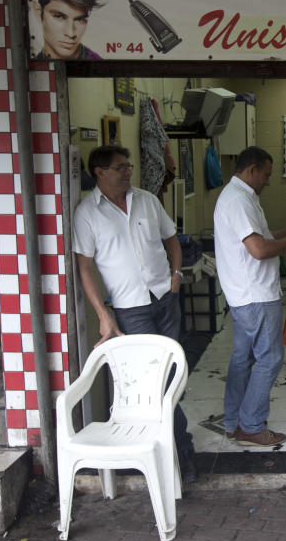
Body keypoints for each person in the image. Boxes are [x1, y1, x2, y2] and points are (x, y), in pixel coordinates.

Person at [71, 145, 197, 483]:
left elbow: (171, 239)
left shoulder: (147, 200)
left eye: (128, 166)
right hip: (130, 308)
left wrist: (177, 275)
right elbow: (84, 268)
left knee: (172, 375)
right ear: (99, 172)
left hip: (164, 297)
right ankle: (179, 454)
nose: (128, 172)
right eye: (119, 167)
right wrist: (103, 313)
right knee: (150, 383)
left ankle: (166, 449)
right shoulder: (87, 213)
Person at [214, 146, 286, 447]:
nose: (268, 181)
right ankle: (252, 425)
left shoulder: (240, 197)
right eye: (267, 175)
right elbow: (258, 250)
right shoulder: (238, 201)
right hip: (255, 294)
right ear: (252, 170)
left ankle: (233, 422)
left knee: (242, 358)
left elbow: (262, 236)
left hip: (243, 293)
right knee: (269, 359)